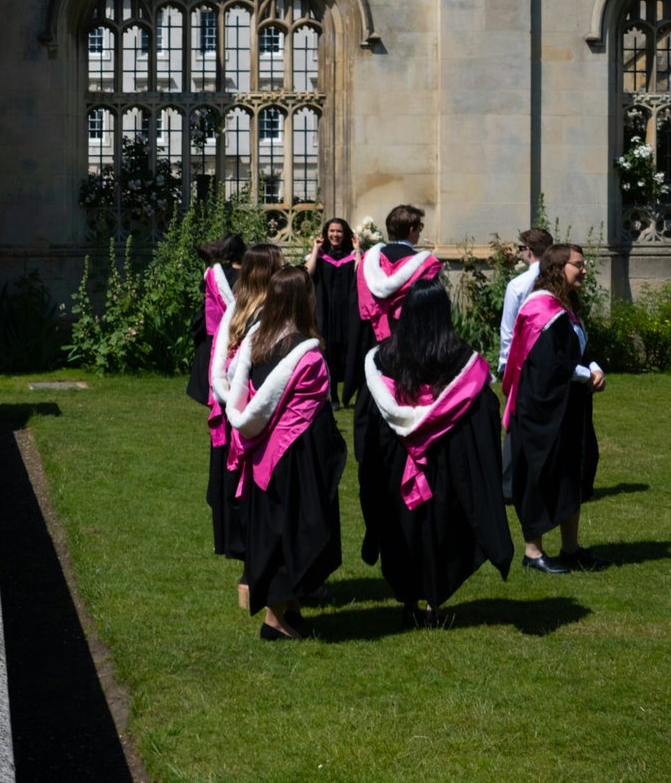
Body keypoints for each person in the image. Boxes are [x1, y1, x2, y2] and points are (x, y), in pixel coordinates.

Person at [352, 280, 514, 622]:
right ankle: (433, 603)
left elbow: (368, 418)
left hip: (396, 460)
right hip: (444, 460)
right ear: (444, 313)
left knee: (401, 525)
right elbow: (481, 407)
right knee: (441, 526)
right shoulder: (459, 358)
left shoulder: (385, 356)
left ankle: (408, 600)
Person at [222, 266, 347, 640]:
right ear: (302, 299)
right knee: (293, 531)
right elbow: (311, 415)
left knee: (275, 529)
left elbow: (241, 395)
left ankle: (289, 608)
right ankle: (274, 620)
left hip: (259, 453)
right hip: (293, 455)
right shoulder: (304, 354)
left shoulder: (256, 339)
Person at [502, 244, 606, 574]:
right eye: (579, 265)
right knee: (541, 473)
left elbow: (574, 350)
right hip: (541, 408)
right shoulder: (539, 309)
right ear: (559, 267)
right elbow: (548, 365)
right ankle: (533, 552)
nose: (584, 270)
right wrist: (585, 373)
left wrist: (593, 365)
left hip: (569, 404)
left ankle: (571, 548)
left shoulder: (565, 305)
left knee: (571, 472)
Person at [206, 243, 283, 591]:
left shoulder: (236, 308)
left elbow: (221, 365)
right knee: (257, 488)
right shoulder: (269, 311)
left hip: (230, 411)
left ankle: (247, 564)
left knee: (236, 486)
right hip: (257, 412)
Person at [358, 204, 443, 342]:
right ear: (411, 230)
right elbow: (433, 305)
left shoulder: (368, 260)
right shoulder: (426, 265)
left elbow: (362, 303)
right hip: (413, 335)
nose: (420, 232)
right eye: (419, 227)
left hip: (375, 335)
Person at [305, 217, 366, 406]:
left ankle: (348, 391)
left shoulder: (352, 255)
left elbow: (360, 273)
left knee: (348, 349)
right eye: (331, 231)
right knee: (328, 350)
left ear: (345, 233)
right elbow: (307, 273)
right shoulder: (321, 256)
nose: (335, 234)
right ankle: (333, 395)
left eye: (339, 231)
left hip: (347, 310)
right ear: (326, 233)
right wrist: (315, 249)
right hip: (326, 311)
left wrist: (357, 250)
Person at [186, 233, 245, 408]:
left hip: (215, 334)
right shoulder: (250, 276)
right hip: (239, 333)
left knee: (215, 376)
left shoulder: (214, 274)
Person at [498, 228, 554, 374]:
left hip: (526, 355)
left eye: (522, 248)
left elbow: (508, 328)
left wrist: (505, 361)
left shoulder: (517, 285)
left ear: (529, 250)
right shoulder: (559, 279)